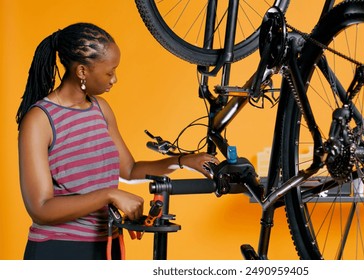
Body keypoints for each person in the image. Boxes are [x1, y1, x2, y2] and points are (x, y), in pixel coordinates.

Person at [16, 22, 219, 260]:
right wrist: (109, 195)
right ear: (82, 71)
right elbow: (40, 209)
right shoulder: (40, 120)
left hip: (106, 246)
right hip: (59, 251)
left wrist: (184, 161)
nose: (115, 80)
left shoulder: (100, 109)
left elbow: (129, 170)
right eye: (109, 72)